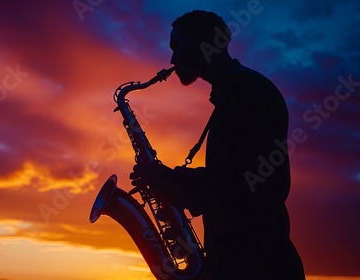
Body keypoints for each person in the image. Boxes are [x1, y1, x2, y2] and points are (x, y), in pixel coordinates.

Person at [130, 10, 305, 280]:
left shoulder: (248, 92)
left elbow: (254, 186)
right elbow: (231, 178)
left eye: (178, 47)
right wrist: (171, 179)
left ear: (204, 42)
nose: (173, 59)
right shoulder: (236, 91)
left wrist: (171, 180)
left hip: (257, 265)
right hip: (245, 261)